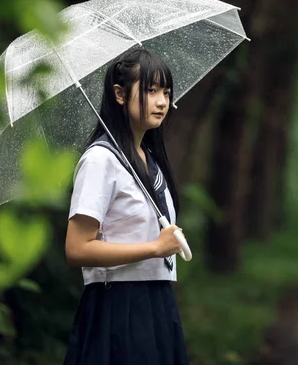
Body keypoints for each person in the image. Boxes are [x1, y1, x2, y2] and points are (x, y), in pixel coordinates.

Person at [63, 48, 189, 365]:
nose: (162, 101)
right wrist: (154, 247)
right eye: (150, 90)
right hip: (118, 309)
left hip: (157, 303)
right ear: (119, 94)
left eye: (166, 92)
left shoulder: (149, 161)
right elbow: (76, 248)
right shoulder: (100, 161)